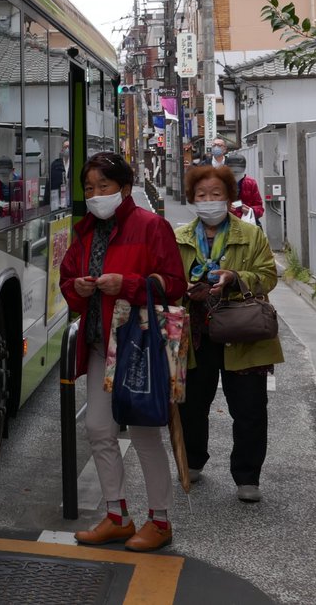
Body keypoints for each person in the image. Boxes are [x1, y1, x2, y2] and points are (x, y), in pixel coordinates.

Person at [59, 152, 187, 551]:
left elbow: (174, 284)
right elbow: (66, 278)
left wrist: (127, 285)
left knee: (145, 432)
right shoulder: (84, 232)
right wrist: (77, 287)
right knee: (98, 429)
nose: (96, 195)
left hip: (139, 345)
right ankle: (117, 516)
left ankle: (160, 521)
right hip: (100, 344)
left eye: (104, 186)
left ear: (125, 189)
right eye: (89, 188)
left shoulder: (151, 226)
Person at [175, 164, 281, 503]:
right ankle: (193, 460)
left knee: (249, 406)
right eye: (201, 195)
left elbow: (268, 276)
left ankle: (248, 476)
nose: (209, 201)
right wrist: (184, 289)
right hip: (195, 334)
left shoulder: (250, 235)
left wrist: (235, 278)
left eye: (216, 194)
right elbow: (167, 279)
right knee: (192, 404)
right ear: (192, 199)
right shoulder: (180, 237)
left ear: (229, 197)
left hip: (242, 329)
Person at [223, 153, 264, 222]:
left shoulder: (250, 183)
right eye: (233, 170)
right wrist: (224, 208)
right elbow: (213, 206)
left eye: (238, 170)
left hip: (246, 223)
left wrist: (251, 210)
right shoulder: (220, 183)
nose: (236, 173)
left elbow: (259, 208)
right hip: (226, 223)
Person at [44, 140, 71, 206]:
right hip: (57, 201)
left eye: (69, 147)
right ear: (62, 150)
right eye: (65, 147)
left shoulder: (76, 164)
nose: (67, 149)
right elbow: (50, 184)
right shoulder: (55, 165)